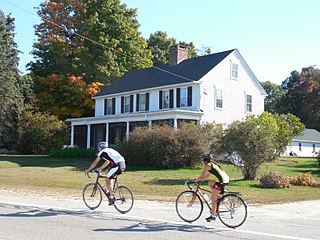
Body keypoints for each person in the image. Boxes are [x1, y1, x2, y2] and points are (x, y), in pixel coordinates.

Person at [195, 153, 229, 222]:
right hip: (225, 180)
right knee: (210, 183)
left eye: (202, 160)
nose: (202, 162)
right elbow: (207, 176)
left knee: (213, 199)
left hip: (221, 182)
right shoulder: (212, 164)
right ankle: (219, 196)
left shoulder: (208, 166)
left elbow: (202, 176)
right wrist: (200, 180)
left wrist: (195, 180)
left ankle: (213, 216)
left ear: (205, 161)